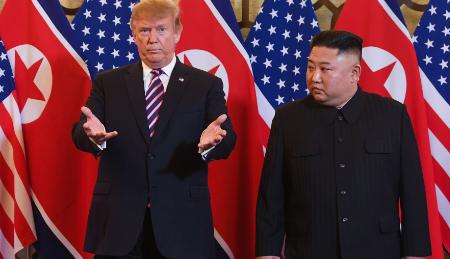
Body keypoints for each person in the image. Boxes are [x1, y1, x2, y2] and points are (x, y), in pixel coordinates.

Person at [72, 0, 236, 258]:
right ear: (133, 35)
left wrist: (212, 143)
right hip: (119, 223)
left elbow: (228, 139)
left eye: (161, 29)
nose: (152, 39)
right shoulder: (108, 83)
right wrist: (92, 136)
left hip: (183, 223)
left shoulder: (205, 85)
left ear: (177, 33)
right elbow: (82, 131)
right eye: (144, 31)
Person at [255, 30, 431, 259]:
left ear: (354, 73)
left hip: (378, 250)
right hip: (309, 250)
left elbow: (412, 191)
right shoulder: (288, 119)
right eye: (310, 67)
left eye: (325, 69)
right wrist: (266, 254)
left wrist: (415, 254)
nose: (314, 77)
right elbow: (272, 196)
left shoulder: (392, 115)